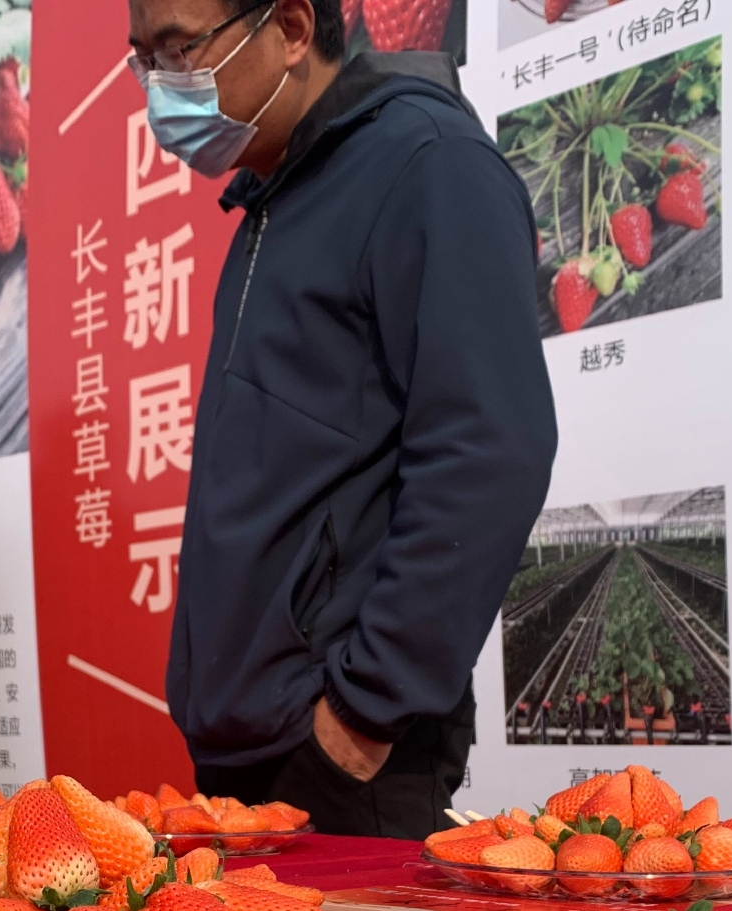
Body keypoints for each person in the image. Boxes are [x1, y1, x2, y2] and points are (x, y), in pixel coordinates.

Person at [133, 0, 554, 839]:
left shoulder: (426, 164)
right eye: (143, 59)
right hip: (246, 746)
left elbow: (489, 450)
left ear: (290, 28)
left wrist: (360, 716)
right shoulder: (270, 199)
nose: (159, 86)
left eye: (180, 50)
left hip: (340, 761)